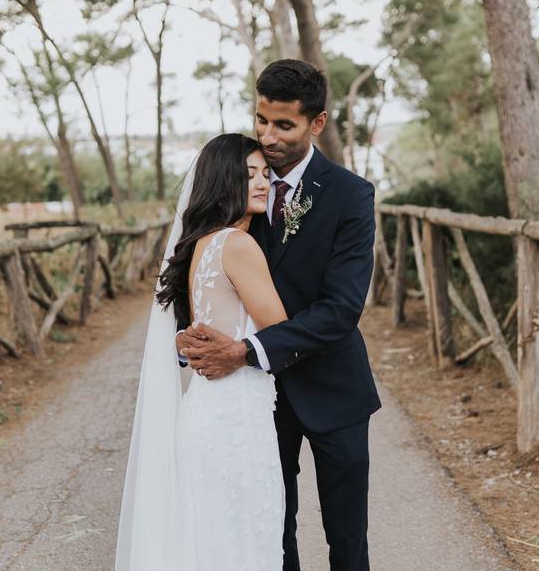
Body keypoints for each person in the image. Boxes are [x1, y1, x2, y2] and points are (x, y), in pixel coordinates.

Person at [178, 59, 381, 571]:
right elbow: (206, 278)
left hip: (334, 386)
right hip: (261, 401)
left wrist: (243, 352)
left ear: (316, 124)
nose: (268, 136)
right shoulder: (237, 185)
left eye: (283, 125)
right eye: (261, 120)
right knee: (271, 531)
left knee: (348, 542)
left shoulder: (350, 196)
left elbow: (341, 309)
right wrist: (192, 343)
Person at [115, 133, 287, 570]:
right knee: (245, 541)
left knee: (210, 542)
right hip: (237, 417)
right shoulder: (238, 245)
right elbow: (280, 329)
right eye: (249, 175)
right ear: (223, 180)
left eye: (266, 173)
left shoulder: (200, 246)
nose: (263, 182)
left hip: (205, 411)